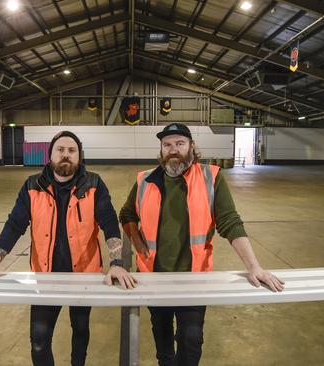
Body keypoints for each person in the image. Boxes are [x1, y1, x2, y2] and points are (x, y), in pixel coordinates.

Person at [0, 131, 136, 366]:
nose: (66, 155)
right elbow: (14, 225)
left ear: (79, 156)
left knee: (80, 333)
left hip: (84, 275)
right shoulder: (33, 185)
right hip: (45, 277)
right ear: (50, 155)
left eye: (72, 151)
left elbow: (110, 223)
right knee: (39, 343)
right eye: (60, 150)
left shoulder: (94, 183)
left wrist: (116, 264)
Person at [119, 123, 284, 366]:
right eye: (167, 145)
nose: (173, 150)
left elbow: (229, 222)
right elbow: (127, 214)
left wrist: (253, 266)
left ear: (191, 146)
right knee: (162, 339)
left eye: (179, 144)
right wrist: (136, 239)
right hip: (154, 276)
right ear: (161, 150)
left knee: (191, 340)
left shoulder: (211, 177)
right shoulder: (145, 180)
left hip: (194, 277)